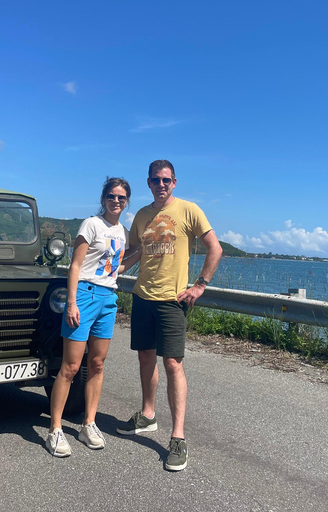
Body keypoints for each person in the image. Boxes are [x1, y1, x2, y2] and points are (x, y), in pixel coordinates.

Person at [116, 160, 222, 471]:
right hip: (142, 296)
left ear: (174, 181)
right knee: (145, 357)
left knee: (173, 363)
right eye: (154, 180)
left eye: (165, 180)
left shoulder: (190, 210)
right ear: (148, 183)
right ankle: (148, 415)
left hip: (172, 301)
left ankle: (178, 437)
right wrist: (107, 269)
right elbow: (134, 253)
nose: (160, 185)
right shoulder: (142, 216)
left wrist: (200, 285)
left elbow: (214, 248)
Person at [46, 177, 140, 457]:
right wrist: (72, 303)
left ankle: (89, 423)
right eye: (112, 196)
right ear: (103, 199)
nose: (116, 201)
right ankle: (55, 429)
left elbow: (116, 268)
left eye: (121, 198)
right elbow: (75, 266)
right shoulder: (91, 224)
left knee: (97, 363)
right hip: (84, 296)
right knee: (71, 366)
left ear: (126, 202)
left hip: (108, 298)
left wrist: (140, 253)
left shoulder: (121, 232)